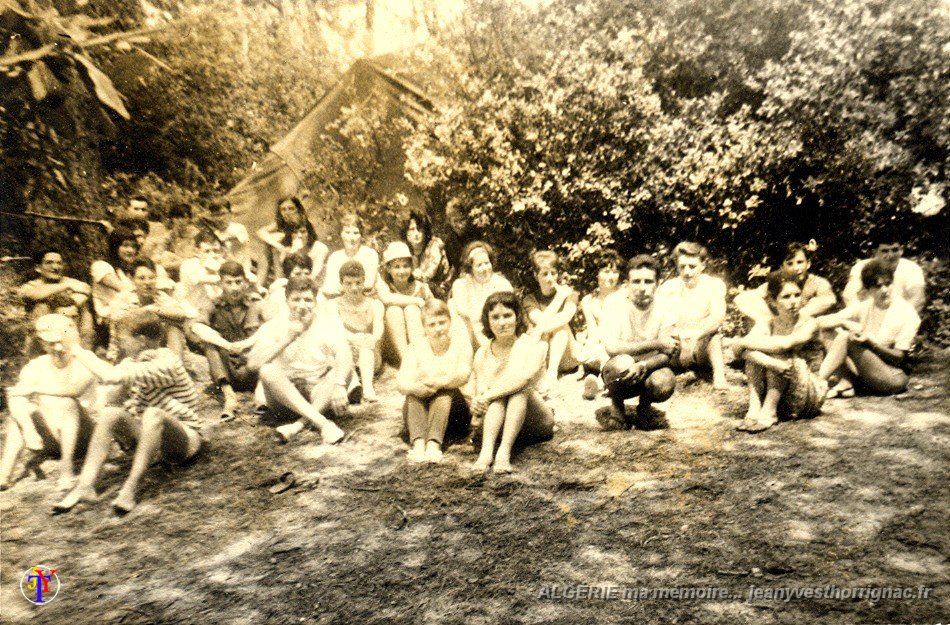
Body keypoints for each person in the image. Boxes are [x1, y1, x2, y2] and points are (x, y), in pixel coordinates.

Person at [53, 310, 205, 515]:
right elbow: (111, 397)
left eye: (122, 340)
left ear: (141, 340)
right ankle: (85, 486)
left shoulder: (168, 361)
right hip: (149, 436)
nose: (119, 345)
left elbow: (111, 375)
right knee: (111, 414)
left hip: (184, 439)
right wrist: (117, 391)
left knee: (154, 413)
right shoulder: (129, 363)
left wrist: (77, 350)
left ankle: (131, 487)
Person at [247, 276, 351, 445]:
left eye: (308, 300)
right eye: (296, 299)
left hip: (317, 394)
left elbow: (344, 352)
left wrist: (339, 385)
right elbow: (253, 365)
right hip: (284, 398)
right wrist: (288, 338)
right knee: (267, 370)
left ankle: (297, 426)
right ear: (286, 301)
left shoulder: (325, 323)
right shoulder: (274, 325)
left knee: (343, 371)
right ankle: (323, 423)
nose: (302, 305)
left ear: (315, 302)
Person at [1, 315, 97, 491]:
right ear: (43, 344)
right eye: (51, 343)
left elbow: (75, 390)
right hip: (53, 437)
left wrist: (36, 388)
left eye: (61, 341)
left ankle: (66, 471)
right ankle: (4, 474)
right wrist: (29, 428)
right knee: (19, 410)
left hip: (85, 435)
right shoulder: (37, 365)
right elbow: (16, 395)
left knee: (67, 402)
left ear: (72, 339)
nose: (58, 348)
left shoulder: (86, 359)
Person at [725, 270, 827, 433]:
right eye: (786, 297)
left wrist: (742, 343)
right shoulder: (768, 323)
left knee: (776, 352)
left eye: (797, 295)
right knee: (760, 353)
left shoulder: (809, 323)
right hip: (780, 388)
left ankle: (769, 412)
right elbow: (737, 351)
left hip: (808, 392)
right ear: (773, 301)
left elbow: (784, 345)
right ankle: (754, 410)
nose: (793, 301)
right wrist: (769, 362)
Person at [467, 291, 554, 474]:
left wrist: (488, 394)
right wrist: (478, 402)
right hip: (497, 420)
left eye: (507, 315)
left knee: (517, 391)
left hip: (535, 421)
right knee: (498, 397)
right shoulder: (482, 354)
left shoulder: (531, 345)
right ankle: (486, 452)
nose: (502, 322)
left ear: (517, 317)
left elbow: (522, 378)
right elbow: (482, 390)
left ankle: (504, 452)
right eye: (495, 317)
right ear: (488, 321)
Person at [596, 255, 677, 431]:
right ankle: (617, 406)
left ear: (658, 283)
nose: (642, 288)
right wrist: (656, 343)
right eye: (636, 281)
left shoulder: (666, 305)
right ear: (627, 283)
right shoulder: (614, 302)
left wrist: (644, 365)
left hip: (650, 368)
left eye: (648, 281)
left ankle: (644, 407)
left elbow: (668, 351)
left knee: (664, 382)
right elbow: (612, 347)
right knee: (621, 363)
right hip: (618, 370)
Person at [817, 259, 921, 397]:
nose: (884, 290)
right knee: (831, 330)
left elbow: (900, 358)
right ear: (868, 290)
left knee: (847, 337)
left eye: (887, 284)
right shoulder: (866, 306)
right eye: (878, 286)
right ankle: (845, 383)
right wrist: (844, 323)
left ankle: (818, 381)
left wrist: (870, 343)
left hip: (894, 377)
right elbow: (822, 322)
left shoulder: (906, 312)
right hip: (869, 373)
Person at [396, 300, 473, 463]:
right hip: (421, 410)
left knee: (445, 391)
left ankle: (433, 445)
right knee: (413, 393)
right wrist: (416, 388)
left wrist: (440, 383)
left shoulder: (460, 344)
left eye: (442, 322)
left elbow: (464, 374)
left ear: (450, 322)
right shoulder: (416, 346)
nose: (438, 328)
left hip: (454, 413)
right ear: (424, 327)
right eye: (432, 325)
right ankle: (418, 445)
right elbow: (402, 383)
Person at [189, 261, 265, 420]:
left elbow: (274, 326)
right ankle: (229, 397)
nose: (234, 288)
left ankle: (261, 393)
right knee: (209, 343)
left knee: (268, 343)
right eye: (229, 283)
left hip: (252, 368)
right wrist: (228, 345)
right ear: (220, 284)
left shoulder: (255, 303)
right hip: (225, 371)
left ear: (245, 282)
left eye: (238, 282)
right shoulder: (213, 305)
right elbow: (196, 326)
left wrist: (247, 344)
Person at [655, 242, 729, 389]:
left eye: (692, 266)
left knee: (713, 336)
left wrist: (695, 339)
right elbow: (661, 320)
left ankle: (719, 376)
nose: (687, 272)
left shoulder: (713, 285)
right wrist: (680, 341)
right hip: (677, 346)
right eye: (682, 267)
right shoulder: (669, 288)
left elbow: (717, 318)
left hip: (701, 345)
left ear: (703, 265)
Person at [734, 241, 837, 324]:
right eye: (790, 264)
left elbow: (829, 300)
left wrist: (804, 313)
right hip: (786, 331)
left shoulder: (817, 283)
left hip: (812, 332)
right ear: (782, 267)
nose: (796, 268)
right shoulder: (781, 283)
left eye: (800, 262)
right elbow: (742, 299)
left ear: (808, 264)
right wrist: (766, 318)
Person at [110, 258, 194, 360]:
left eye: (151, 278)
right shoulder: (124, 298)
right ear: (132, 280)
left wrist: (152, 309)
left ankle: (176, 366)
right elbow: (120, 324)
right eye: (141, 278)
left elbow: (181, 315)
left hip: (155, 349)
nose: (147, 282)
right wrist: (145, 313)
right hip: (127, 352)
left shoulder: (160, 296)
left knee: (173, 326)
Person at [523, 250, 580, 394]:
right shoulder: (530, 299)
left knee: (560, 327)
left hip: (569, 356)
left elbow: (565, 317)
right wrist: (559, 298)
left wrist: (538, 331)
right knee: (549, 326)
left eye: (553, 273)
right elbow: (541, 322)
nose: (550, 278)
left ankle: (552, 374)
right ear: (536, 276)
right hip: (545, 355)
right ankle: (549, 374)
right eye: (545, 274)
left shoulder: (571, 294)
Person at [331, 261, 385, 403]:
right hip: (345, 354)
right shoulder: (333, 305)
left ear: (363, 282)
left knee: (365, 345)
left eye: (358, 282)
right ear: (341, 283)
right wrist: (355, 339)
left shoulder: (375, 304)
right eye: (348, 283)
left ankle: (367, 389)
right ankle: (352, 385)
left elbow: (379, 330)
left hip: (370, 355)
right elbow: (337, 330)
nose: (354, 288)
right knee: (341, 347)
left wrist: (370, 339)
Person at [19, 249, 95, 350]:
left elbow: (86, 289)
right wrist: (65, 287)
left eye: (59, 263)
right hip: (42, 339)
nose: (55, 267)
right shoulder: (32, 285)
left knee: (85, 311)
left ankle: (83, 352)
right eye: (49, 263)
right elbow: (32, 294)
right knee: (42, 306)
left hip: (72, 331)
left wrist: (74, 304)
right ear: (38, 268)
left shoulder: (69, 281)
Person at [448, 241, 513, 349]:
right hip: (469, 333)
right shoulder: (461, 285)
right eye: (479, 265)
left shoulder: (502, 284)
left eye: (487, 263)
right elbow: (463, 313)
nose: (484, 269)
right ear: (470, 268)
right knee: (453, 308)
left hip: (495, 331)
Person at [378, 241, 433, 364]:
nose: (402, 271)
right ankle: (407, 362)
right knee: (393, 310)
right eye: (396, 267)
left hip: (419, 339)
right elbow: (387, 298)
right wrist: (417, 300)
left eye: (405, 266)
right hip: (393, 345)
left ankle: (419, 358)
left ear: (411, 267)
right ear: (388, 268)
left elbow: (435, 310)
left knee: (412, 309)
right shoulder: (384, 285)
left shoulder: (420, 287)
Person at [578, 249, 623, 400]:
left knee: (610, 352)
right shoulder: (589, 301)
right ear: (597, 273)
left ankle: (600, 381)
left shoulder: (624, 295)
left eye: (615, 272)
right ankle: (594, 378)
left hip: (621, 343)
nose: (611, 276)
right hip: (601, 346)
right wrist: (589, 350)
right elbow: (593, 332)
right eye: (606, 271)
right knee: (589, 353)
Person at [842, 238, 926, 313]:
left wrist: (896, 319)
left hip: (898, 320)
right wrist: (861, 317)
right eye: (885, 251)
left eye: (895, 250)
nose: (890, 255)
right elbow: (849, 294)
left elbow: (918, 298)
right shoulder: (861, 267)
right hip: (867, 319)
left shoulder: (911, 268)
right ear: (875, 252)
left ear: (901, 250)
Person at [255, 197, 327, 284]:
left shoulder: (304, 221)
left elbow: (309, 239)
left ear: (298, 210)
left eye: (291, 209)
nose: (287, 212)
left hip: (306, 256)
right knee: (270, 244)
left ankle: (278, 280)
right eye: (283, 209)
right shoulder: (282, 224)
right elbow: (260, 232)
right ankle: (261, 284)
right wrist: (279, 246)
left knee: (276, 243)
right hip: (288, 256)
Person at [320, 212, 379, 298]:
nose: (351, 238)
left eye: (355, 233)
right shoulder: (335, 257)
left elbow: (368, 284)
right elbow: (328, 287)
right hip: (339, 300)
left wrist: (340, 288)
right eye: (347, 232)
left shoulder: (369, 254)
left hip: (364, 299)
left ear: (361, 235)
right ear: (341, 234)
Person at [90, 227, 139, 327]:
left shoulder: (126, 272)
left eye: (133, 246)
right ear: (115, 246)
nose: (130, 250)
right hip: (108, 319)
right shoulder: (101, 266)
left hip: (128, 315)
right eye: (125, 245)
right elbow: (124, 289)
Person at [402, 209, 454, 299]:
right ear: (405, 232)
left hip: (438, 289)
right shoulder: (405, 248)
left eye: (420, 229)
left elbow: (429, 274)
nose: (417, 234)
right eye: (412, 229)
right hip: (417, 288)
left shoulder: (434, 245)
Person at [142, 202, 200, 280]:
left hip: (191, 267)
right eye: (177, 218)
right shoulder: (170, 235)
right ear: (172, 219)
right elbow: (158, 252)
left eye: (184, 218)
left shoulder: (196, 234)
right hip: (175, 266)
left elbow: (192, 257)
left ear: (189, 219)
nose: (180, 221)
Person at [202, 198, 254, 282]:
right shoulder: (213, 233)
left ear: (230, 213)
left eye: (223, 214)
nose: (220, 218)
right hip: (221, 271)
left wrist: (247, 271)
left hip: (239, 270)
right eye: (215, 215)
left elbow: (244, 247)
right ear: (211, 217)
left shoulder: (238, 228)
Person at [176, 230, 225, 318]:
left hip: (216, 310)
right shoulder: (189, 265)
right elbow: (202, 279)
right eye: (207, 251)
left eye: (216, 250)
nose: (213, 255)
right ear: (197, 251)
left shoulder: (222, 263)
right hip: (193, 311)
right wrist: (220, 270)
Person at [262, 252, 314, 322]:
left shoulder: (312, 294)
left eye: (307, 273)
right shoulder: (279, 293)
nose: (303, 277)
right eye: (297, 274)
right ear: (287, 275)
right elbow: (268, 318)